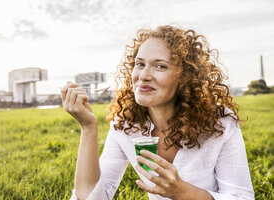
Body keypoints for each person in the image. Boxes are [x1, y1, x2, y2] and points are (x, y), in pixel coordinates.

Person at [61, 25, 255, 200]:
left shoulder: (220, 123)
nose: (143, 76)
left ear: (185, 78)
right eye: (140, 64)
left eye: (160, 66)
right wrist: (88, 128)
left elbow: (241, 197)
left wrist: (183, 192)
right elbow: (92, 198)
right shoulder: (126, 125)